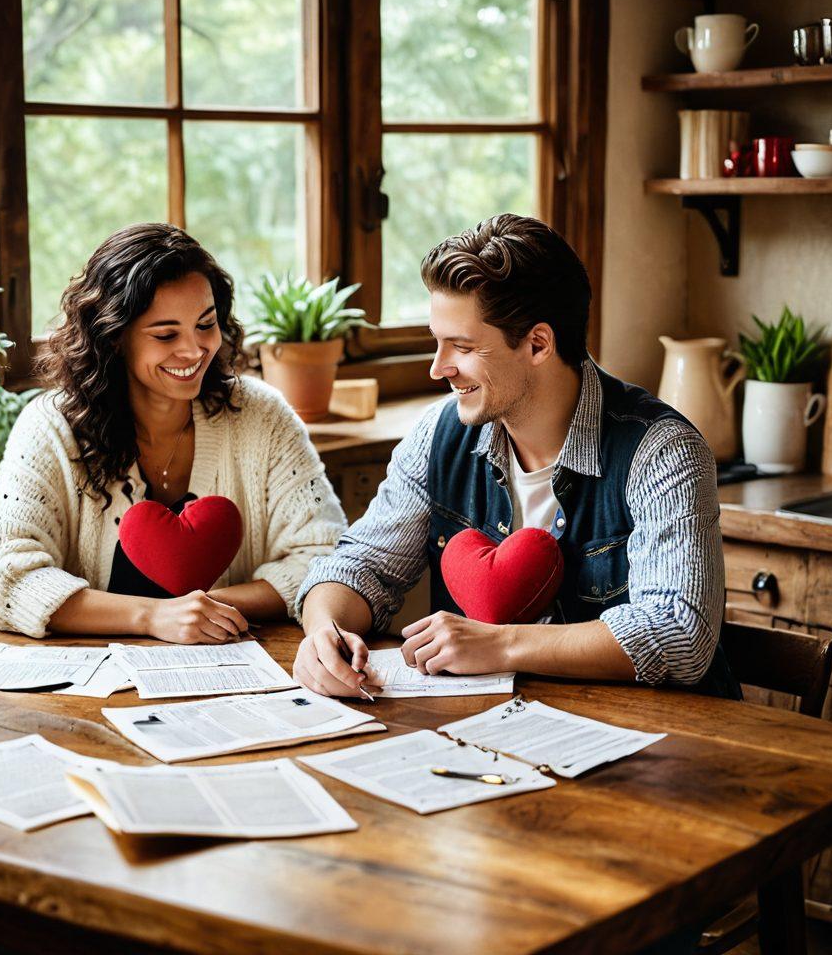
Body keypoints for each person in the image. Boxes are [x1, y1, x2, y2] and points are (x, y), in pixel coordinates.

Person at [293, 214, 739, 701]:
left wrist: (502, 645)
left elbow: (679, 635)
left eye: (461, 347)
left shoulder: (662, 451)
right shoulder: (438, 434)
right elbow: (361, 566)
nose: (438, 367)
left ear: (538, 344)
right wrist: (324, 631)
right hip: (499, 735)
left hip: (661, 746)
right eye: (436, 342)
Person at [0, 223, 346, 642]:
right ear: (113, 337)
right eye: (166, 334)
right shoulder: (51, 428)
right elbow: (0, 578)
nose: (194, 350)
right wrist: (151, 617)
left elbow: (326, 559)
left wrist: (204, 612)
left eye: (206, 325)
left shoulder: (263, 416)